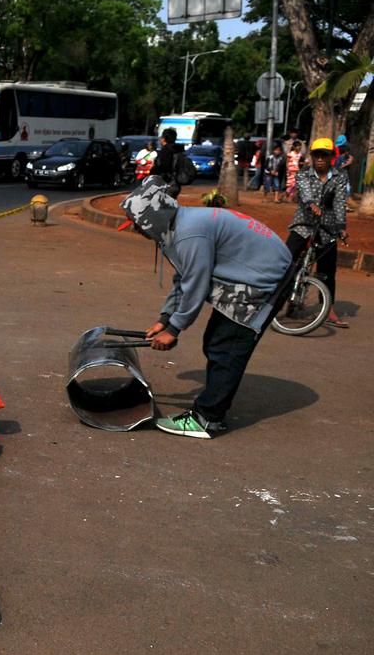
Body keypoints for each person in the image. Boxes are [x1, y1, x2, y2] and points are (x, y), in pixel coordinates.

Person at [119, 178, 292, 438]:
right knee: (215, 341)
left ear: (151, 219)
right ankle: (213, 406)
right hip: (249, 272)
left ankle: (208, 419)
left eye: (136, 224)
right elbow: (184, 278)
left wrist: (175, 329)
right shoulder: (178, 225)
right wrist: (164, 319)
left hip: (264, 278)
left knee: (226, 346)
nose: (136, 230)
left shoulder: (190, 233)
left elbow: (196, 285)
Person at [286, 138, 349, 328]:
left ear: (331, 157)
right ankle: (280, 298)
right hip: (303, 224)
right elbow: (304, 192)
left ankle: (328, 309)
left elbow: (339, 202)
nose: (320, 159)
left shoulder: (340, 176)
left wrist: (341, 227)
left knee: (328, 269)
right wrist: (311, 203)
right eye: (317, 155)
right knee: (287, 260)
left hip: (327, 227)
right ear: (312, 157)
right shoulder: (303, 175)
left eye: (325, 155)